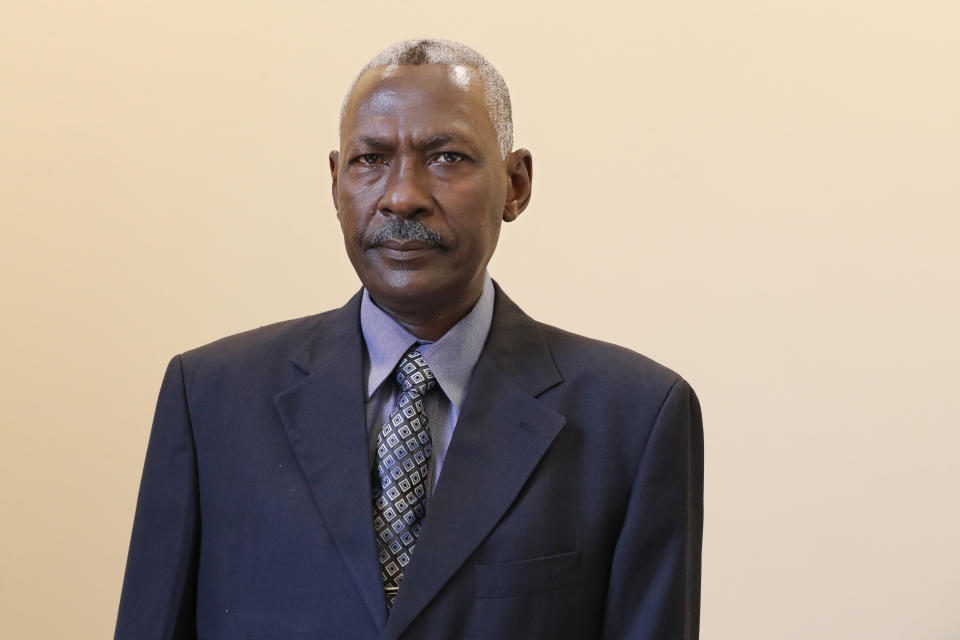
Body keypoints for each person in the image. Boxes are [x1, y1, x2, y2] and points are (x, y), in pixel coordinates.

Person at [115, 38, 703, 640]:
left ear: (516, 184)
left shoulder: (636, 419)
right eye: (370, 159)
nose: (401, 196)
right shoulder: (209, 399)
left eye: (446, 157)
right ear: (335, 183)